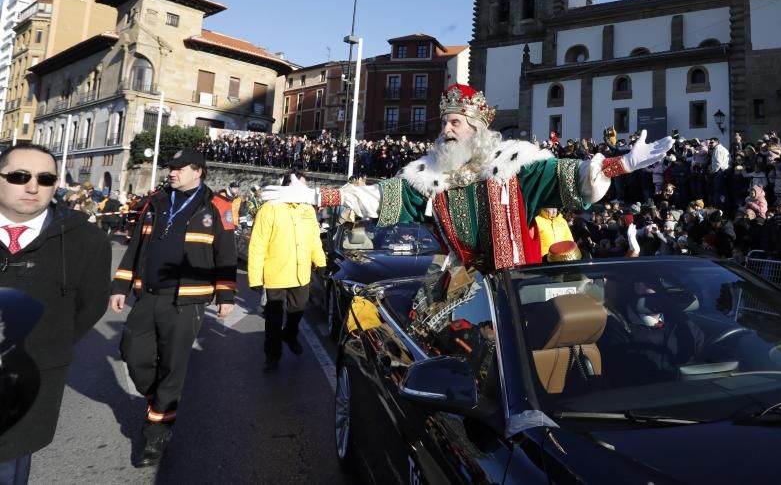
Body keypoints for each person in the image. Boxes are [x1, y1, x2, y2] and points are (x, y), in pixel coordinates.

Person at [263, 84, 672, 275]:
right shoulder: (428, 178)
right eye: (445, 123)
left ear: (476, 127)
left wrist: (620, 164)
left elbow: (572, 176)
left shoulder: (515, 165)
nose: (448, 130)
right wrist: (315, 194)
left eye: (456, 122)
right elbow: (373, 198)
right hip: (458, 282)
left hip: (515, 287)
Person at [109, 149, 237, 468]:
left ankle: (157, 432)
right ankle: (159, 403)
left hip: (187, 300)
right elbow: (136, 245)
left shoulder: (219, 207)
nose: (172, 172)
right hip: (148, 295)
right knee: (132, 353)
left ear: (199, 171)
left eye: (179, 168)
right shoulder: (156, 202)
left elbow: (226, 255)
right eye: (171, 168)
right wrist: (120, 286)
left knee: (173, 366)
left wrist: (226, 296)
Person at [0, 144, 111, 485]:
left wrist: (46, 343)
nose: (32, 187)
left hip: (34, 371)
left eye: (45, 179)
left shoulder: (86, 240)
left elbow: (90, 305)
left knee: (9, 462)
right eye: (19, 177)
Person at [248, 172, 326, 367]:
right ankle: (272, 355)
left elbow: (314, 239)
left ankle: (290, 335)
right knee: (273, 318)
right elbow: (257, 244)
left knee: (297, 310)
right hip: (276, 273)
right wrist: (255, 277)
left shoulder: (308, 210)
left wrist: (321, 261)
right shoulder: (269, 209)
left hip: (301, 273)